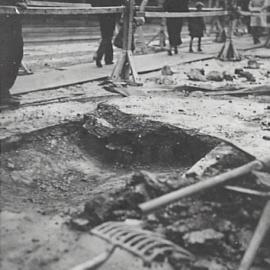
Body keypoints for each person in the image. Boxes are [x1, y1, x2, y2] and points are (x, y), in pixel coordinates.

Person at [0, 0, 27, 107]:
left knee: (16, 54)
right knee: (6, 56)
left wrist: (22, 3)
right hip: (3, 16)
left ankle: (4, 92)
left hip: (13, 16)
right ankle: (2, 95)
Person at [90, 0, 122, 68]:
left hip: (102, 13)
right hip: (111, 13)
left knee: (106, 35)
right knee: (107, 36)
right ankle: (99, 55)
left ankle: (108, 58)